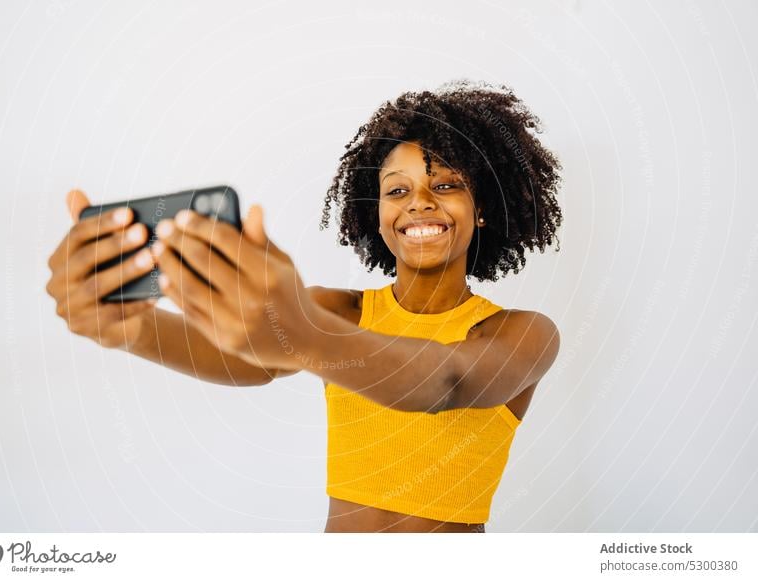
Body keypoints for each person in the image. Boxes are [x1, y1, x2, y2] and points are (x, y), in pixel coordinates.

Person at [46, 80, 563, 533]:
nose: (418, 202)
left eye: (446, 185)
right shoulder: (340, 312)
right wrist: (131, 328)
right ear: (378, 217)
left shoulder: (522, 333)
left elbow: (447, 380)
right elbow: (243, 357)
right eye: (397, 190)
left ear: (484, 212)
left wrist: (302, 331)